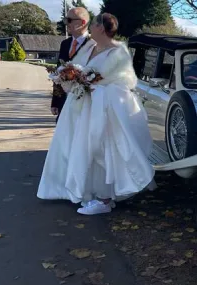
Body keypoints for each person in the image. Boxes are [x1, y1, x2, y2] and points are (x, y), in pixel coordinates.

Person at [37, 13, 156, 215]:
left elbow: (122, 81)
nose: (90, 28)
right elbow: (79, 69)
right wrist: (69, 76)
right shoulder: (90, 47)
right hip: (82, 106)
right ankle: (85, 191)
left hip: (105, 108)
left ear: (102, 28)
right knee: (76, 146)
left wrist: (87, 81)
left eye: (93, 25)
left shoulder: (118, 51)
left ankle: (105, 198)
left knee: (103, 147)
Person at [51, 7, 95, 122]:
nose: (66, 23)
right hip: (64, 105)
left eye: (69, 20)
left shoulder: (94, 45)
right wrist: (55, 102)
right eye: (65, 20)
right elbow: (58, 74)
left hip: (84, 106)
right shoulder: (65, 44)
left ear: (82, 22)